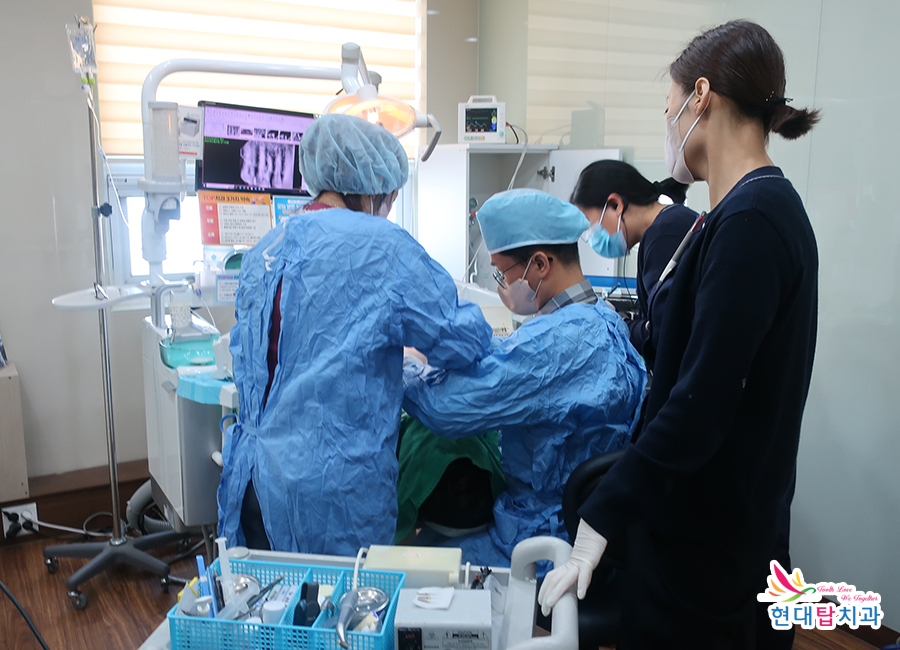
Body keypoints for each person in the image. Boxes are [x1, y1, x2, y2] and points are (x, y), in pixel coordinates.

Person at [539, 20, 819, 650]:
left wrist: (600, 518)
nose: (668, 127)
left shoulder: (753, 222)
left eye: (669, 110)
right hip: (708, 531)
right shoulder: (738, 213)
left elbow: (700, 405)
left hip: (711, 552)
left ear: (701, 97)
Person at [218, 113, 493, 556]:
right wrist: (407, 361)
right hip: (330, 490)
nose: (387, 209)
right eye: (390, 198)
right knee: (344, 598)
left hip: (252, 475)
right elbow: (463, 340)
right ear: (374, 187)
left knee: (268, 595)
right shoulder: (382, 245)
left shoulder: (266, 246)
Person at [402, 189, 646, 570]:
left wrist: (405, 366)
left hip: (541, 539)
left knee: (410, 562)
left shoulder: (555, 343)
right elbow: (519, 362)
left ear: (540, 264)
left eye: (502, 272)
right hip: (586, 523)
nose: (500, 283)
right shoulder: (602, 317)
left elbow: (445, 409)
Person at [571, 161, 698, 370]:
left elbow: (664, 334)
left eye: (589, 225)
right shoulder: (666, 226)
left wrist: (616, 323)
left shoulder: (664, 234)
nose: (590, 236)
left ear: (615, 205)